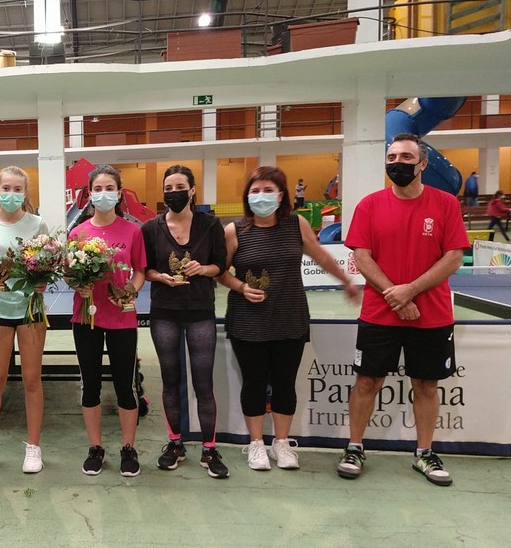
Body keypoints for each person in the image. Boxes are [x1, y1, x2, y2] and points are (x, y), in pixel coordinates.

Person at [339, 133, 469, 487]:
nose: (397, 162)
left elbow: (454, 255)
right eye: (392, 156)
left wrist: (410, 290)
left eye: (406, 157)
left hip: (432, 315)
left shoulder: (445, 205)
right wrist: (394, 295)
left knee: (426, 384)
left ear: (423, 164)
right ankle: (354, 446)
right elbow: (361, 255)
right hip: (379, 314)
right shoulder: (369, 205)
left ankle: (424, 453)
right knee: (366, 381)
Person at [219, 166, 359, 472]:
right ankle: (256, 444)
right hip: (247, 321)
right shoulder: (235, 230)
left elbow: (321, 255)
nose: (261, 196)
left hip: (290, 318)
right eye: (255, 191)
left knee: (285, 384)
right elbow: (219, 272)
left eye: (268, 190)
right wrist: (241, 287)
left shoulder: (296, 225)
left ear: (281, 195)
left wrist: (345, 280)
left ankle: (281, 443)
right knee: (253, 384)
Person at [142, 165, 229, 479]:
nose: (173, 192)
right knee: (170, 381)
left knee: (203, 384)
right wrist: (160, 277)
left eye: (180, 186)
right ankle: (175, 443)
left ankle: (209, 447)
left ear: (192, 190)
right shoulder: (150, 227)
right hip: (164, 311)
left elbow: (220, 265)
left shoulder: (211, 225)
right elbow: (146, 268)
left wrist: (200, 269)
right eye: (168, 188)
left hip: (200, 312)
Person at [67, 165, 146, 477]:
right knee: (91, 386)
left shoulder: (133, 231)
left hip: (122, 319)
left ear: (119, 192)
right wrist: (78, 284)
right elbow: (70, 272)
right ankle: (95, 447)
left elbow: (140, 269)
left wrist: (132, 289)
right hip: (86, 317)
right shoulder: (77, 233)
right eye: (97, 188)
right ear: (89, 194)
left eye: (109, 188)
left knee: (125, 386)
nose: (103, 193)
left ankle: (128, 447)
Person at [0, 165, 49, 474]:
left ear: (25, 193)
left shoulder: (38, 224)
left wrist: (44, 279)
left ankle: (33, 448)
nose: (12, 194)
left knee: (32, 380)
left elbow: (45, 264)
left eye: (18, 189)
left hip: (30, 311)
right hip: (0, 313)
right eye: (7, 188)